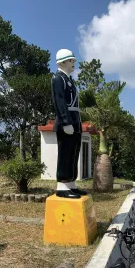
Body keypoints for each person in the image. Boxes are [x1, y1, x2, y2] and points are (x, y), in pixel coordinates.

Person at [51, 49, 87, 199]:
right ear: (63, 62)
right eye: (71, 61)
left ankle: (71, 184)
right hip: (66, 122)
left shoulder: (69, 79)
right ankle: (62, 186)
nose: (73, 63)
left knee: (74, 153)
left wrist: (76, 123)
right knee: (65, 154)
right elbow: (59, 101)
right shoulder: (58, 78)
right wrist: (66, 122)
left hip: (75, 121)